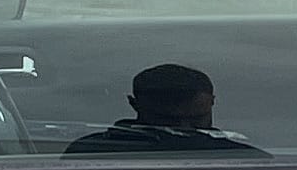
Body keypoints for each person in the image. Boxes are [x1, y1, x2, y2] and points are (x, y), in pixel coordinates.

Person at [63, 61, 266, 157]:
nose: (182, 131)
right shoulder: (245, 160)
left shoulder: (88, 152)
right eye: (166, 121)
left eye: (197, 119)